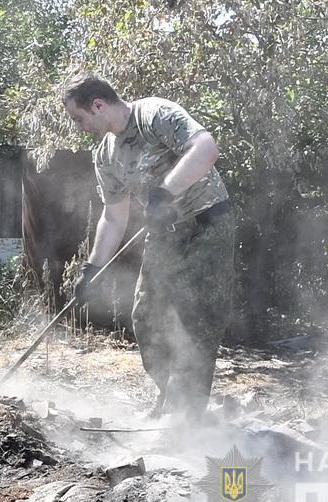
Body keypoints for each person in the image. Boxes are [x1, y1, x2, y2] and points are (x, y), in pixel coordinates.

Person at [61, 73, 235, 421]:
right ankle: (170, 396)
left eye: (78, 118)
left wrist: (166, 191)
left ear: (97, 105)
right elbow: (113, 217)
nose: (78, 127)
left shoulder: (154, 115)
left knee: (194, 321)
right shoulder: (105, 156)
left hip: (207, 226)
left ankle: (184, 419)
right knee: (146, 317)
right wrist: (91, 269)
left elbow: (206, 149)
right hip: (164, 235)